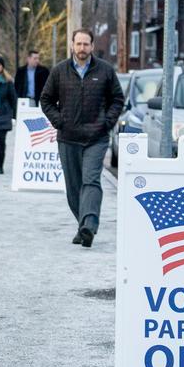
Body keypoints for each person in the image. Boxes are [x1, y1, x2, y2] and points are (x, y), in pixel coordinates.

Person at [39, 27, 125, 247]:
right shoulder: (59, 71)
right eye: (78, 44)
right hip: (68, 138)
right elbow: (46, 100)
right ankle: (83, 226)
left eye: (86, 44)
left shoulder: (105, 70)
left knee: (91, 180)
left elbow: (117, 99)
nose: (82, 48)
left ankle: (89, 225)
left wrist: (107, 123)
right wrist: (59, 121)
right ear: (72, 45)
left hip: (96, 137)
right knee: (74, 187)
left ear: (92, 46)